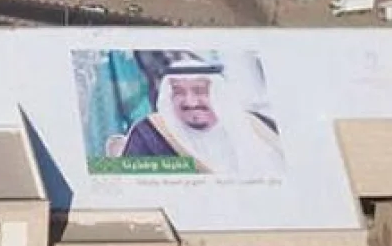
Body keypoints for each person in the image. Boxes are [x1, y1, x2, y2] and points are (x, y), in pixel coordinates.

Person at [119, 58, 283, 176]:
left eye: (200, 91)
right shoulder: (150, 134)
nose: (190, 102)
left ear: (218, 94)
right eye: (178, 92)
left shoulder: (259, 129)